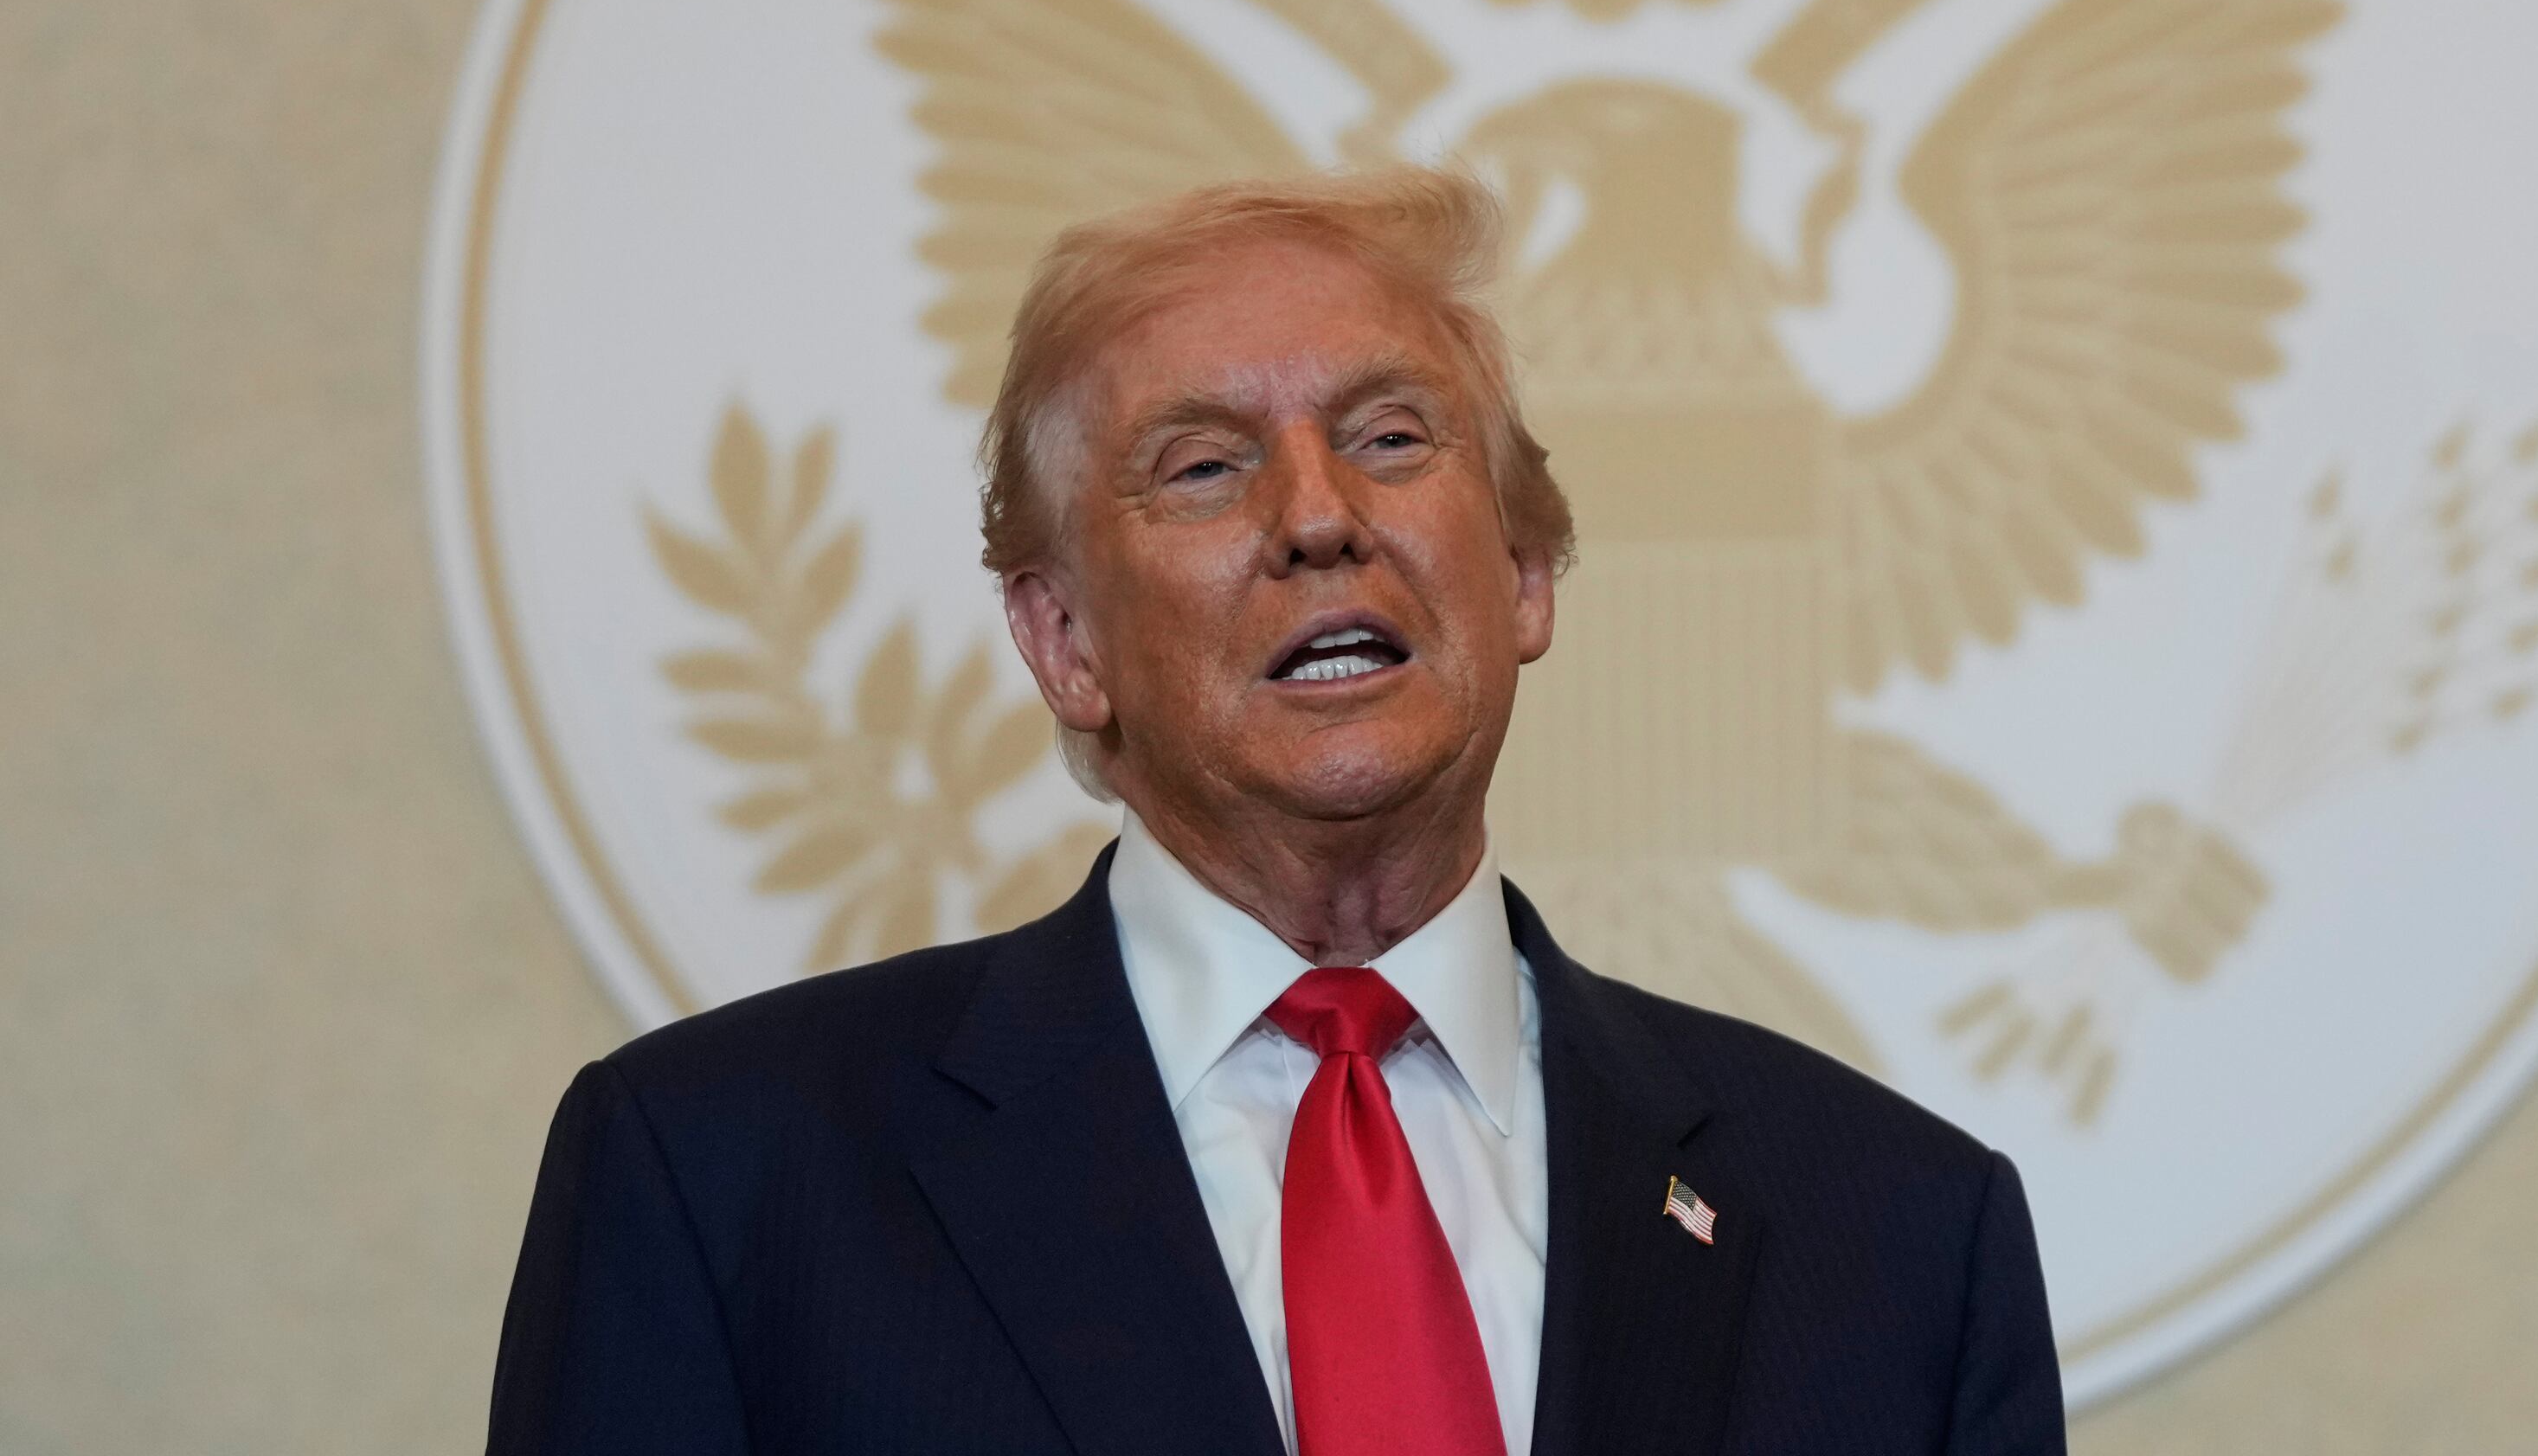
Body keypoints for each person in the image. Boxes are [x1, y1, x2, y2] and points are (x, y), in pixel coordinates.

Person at [488, 167, 2064, 1455]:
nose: (1319, 516)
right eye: (1201, 468)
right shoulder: (722, 1182)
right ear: (1064, 641)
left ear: (1523, 575)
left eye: (1390, 439)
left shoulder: (1899, 1234)